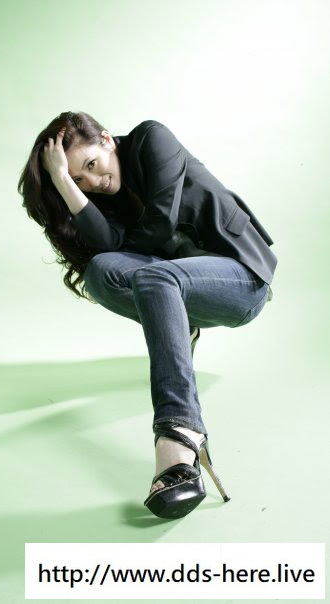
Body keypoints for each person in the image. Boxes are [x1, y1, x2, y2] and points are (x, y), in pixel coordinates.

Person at [18, 111, 277, 519]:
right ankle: (179, 323)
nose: (94, 181)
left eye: (91, 164)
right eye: (80, 180)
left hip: (241, 277)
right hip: (178, 283)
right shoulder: (104, 198)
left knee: (152, 275)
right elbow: (108, 252)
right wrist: (64, 182)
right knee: (100, 271)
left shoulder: (151, 140)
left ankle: (180, 429)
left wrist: (124, 242)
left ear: (107, 139)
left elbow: (159, 224)